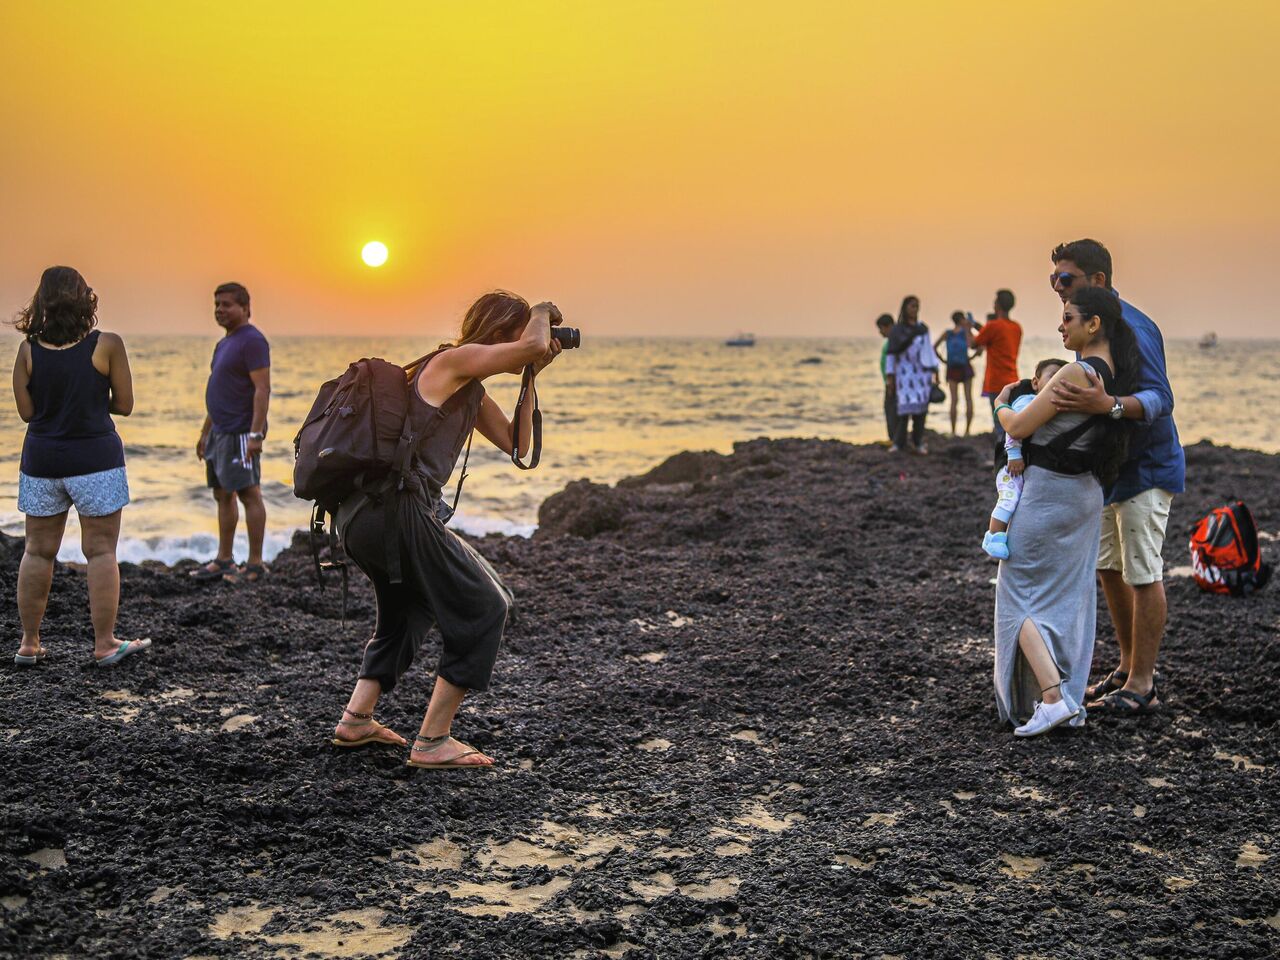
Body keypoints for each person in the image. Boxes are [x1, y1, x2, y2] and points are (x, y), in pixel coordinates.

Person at [331, 292, 562, 769]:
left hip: (368, 517)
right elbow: (529, 347)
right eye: (518, 334)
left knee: (410, 610)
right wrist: (540, 314)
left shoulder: (467, 384)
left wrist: (531, 377)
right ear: (501, 333)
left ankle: (357, 719)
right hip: (395, 512)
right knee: (485, 605)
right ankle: (433, 741)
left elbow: (519, 446)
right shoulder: (453, 360)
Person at [991, 286, 1139, 737]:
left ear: (1093, 325)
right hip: (1083, 495)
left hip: (1048, 498)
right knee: (1062, 599)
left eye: (1068, 317)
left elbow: (1018, 425)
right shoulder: (1114, 372)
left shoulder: (1077, 373)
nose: (1061, 324)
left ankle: (1052, 698)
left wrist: (1001, 400)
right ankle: (1059, 698)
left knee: (1017, 596)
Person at [1047, 239, 1185, 717]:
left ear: (1098, 280)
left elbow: (1161, 398)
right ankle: (1127, 668)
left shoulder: (1134, 327)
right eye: (1053, 281)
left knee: (1143, 571)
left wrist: (1108, 406)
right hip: (1111, 470)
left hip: (1148, 468)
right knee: (1108, 566)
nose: (1058, 291)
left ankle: (1144, 683)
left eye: (1066, 280)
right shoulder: (1086, 324)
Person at [9, 266, 150, 667]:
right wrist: (89, 403)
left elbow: (26, 412)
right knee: (101, 551)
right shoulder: (107, 344)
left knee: (37, 552)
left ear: (41, 302)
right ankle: (105, 644)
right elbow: (123, 404)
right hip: (96, 460)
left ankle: (29, 644)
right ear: (84, 298)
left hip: (42, 460)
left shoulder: (27, 350)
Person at [192, 283, 271, 583]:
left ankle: (254, 565)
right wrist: (204, 433)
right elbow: (220, 391)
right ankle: (224, 560)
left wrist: (255, 435)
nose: (220, 310)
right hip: (219, 433)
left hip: (241, 432)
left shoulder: (253, 341)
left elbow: (262, 389)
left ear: (245, 308)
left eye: (227, 305)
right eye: (216, 305)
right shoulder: (224, 343)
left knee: (249, 494)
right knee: (222, 494)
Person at [982, 358, 1065, 559]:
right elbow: (1012, 430)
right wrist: (1014, 455)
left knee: (1018, 500)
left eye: (1062, 378)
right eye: (1052, 377)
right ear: (1036, 383)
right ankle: (993, 536)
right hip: (1010, 462)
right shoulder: (1026, 401)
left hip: (1020, 462)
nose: (1057, 382)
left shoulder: (1045, 403)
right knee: (1008, 499)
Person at [884, 296, 939, 454]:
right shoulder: (897, 331)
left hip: (922, 375)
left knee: (920, 412)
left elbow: (929, 351)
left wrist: (935, 371)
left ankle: (918, 442)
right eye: (912, 306)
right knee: (903, 412)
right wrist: (890, 377)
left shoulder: (923, 329)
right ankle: (898, 443)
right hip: (904, 376)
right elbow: (891, 354)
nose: (915, 309)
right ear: (905, 308)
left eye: (917, 306)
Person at [967, 289, 1022, 429]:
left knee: (998, 424)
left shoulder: (993, 326)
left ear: (996, 305)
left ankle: (1001, 450)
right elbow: (994, 335)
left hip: (996, 382)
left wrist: (968, 328)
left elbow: (973, 344)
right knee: (1010, 422)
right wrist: (977, 326)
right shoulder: (1016, 327)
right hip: (1013, 380)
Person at [934, 311, 977, 436]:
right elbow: (974, 345)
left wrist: (943, 360)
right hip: (965, 366)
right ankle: (967, 431)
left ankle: (953, 431)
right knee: (968, 399)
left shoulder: (947, 334)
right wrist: (972, 357)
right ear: (962, 319)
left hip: (951, 368)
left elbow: (934, 347)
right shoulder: (965, 332)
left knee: (954, 400)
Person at [875, 313, 898, 443]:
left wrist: (890, 381)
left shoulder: (894, 342)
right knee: (890, 410)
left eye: (881, 328)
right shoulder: (890, 342)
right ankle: (894, 438)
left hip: (892, 383)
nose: (880, 332)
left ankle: (894, 439)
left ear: (888, 326)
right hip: (889, 382)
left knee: (891, 411)